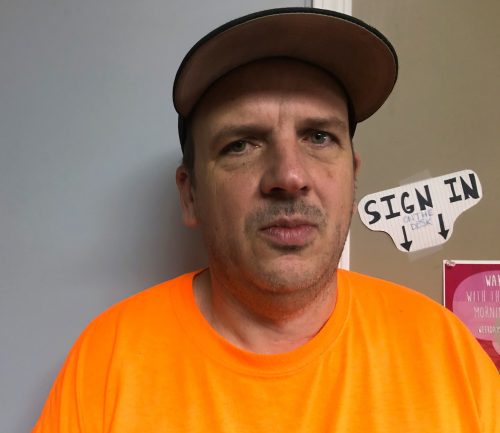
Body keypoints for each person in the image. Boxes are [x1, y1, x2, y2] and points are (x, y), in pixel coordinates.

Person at [32, 7, 499, 433]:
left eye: (318, 136)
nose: (289, 176)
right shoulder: (108, 362)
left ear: (352, 179)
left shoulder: (446, 354)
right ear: (191, 194)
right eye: (241, 144)